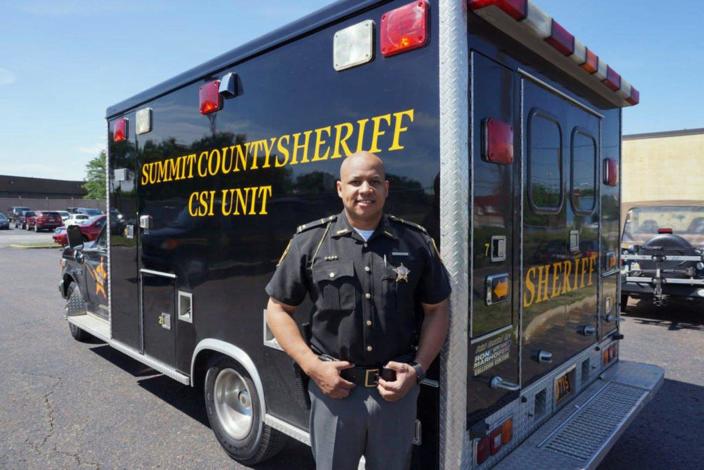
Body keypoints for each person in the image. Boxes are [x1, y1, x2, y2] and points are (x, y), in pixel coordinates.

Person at [265, 151, 450, 470]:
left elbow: (437, 309)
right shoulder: (311, 242)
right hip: (334, 392)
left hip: (396, 393)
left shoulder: (416, 242)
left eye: (374, 181)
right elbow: (278, 309)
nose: (365, 189)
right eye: (356, 181)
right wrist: (312, 367)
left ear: (387, 189)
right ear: (340, 188)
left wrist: (418, 371)